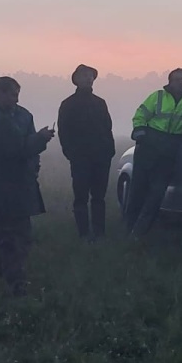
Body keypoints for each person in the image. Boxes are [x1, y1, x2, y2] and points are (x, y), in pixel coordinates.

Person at [0, 76, 54, 294]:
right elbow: (18, 148)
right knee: (9, 239)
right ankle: (15, 285)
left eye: (17, 94)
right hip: (3, 191)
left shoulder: (15, 116)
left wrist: (32, 166)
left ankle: (11, 279)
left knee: (14, 236)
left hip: (10, 189)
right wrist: (41, 138)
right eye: (12, 94)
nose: (16, 99)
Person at [123, 68, 182, 238]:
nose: (180, 82)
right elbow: (140, 115)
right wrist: (140, 132)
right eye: (177, 79)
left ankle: (139, 233)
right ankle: (128, 228)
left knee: (157, 193)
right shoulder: (157, 96)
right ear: (169, 81)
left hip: (170, 148)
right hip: (148, 146)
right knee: (137, 190)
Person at [57, 63, 115, 241]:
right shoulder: (68, 104)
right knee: (81, 197)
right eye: (84, 75)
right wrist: (71, 153)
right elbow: (63, 131)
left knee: (99, 197)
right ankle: (83, 234)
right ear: (76, 80)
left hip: (101, 157)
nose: (88, 78)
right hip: (80, 158)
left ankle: (99, 233)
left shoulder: (100, 103)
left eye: (90, 75)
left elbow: (107, 127)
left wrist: (109, 151)